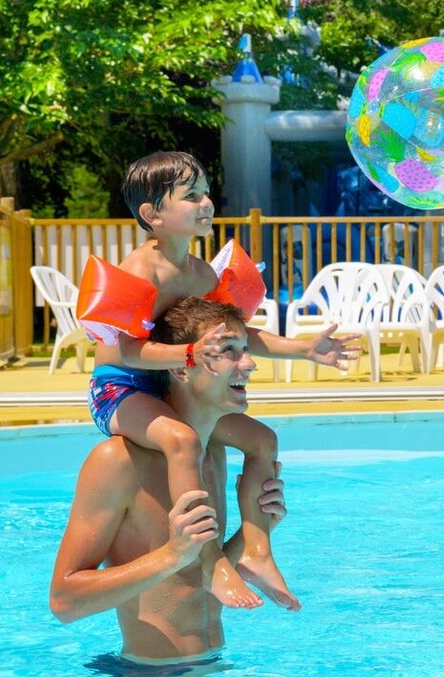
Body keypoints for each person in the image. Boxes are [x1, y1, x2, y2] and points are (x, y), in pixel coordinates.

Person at [88, 151, 358, 611]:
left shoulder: (201, 274)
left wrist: (304, 349)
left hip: (173, 384)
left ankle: (257, 552)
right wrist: (188, 354)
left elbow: (238, 335)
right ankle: (210, 561)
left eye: (207, 193)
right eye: (191, 196)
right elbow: (128, 350)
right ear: (152, 214)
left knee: (262, 441)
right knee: (182, 440)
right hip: (122, 388)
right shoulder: (141, 271)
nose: (206, 203)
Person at [51, 297, 290, 664]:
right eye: (228, 351)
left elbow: (196, 580)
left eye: (244, 349)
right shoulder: (119, 461)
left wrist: (255, 531)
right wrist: (170, 556)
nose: (249, 363)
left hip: (214, 668)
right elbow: (64, 602)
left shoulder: (212, 453)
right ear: (181, 368)